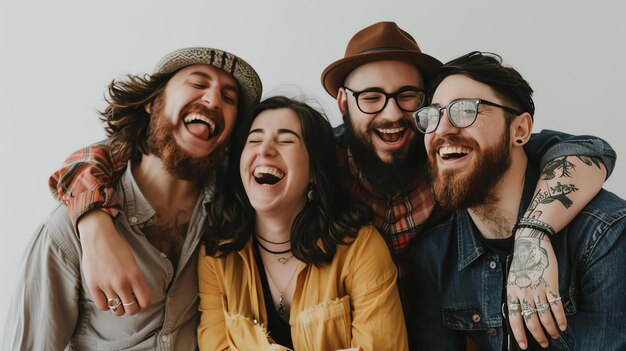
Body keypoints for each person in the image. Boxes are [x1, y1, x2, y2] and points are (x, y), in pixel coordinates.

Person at [46, 22, 615, 344]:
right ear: (344, 104)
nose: (391, 115)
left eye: (408, 98)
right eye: (371, 98)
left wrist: (535, 231)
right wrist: (91, 219)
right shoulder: (316, 160)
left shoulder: (452, 151)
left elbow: (583, 149)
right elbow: (119, 152)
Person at [3, 47, 262, 350]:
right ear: (153, 102)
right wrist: (94, 224)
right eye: (197, 83)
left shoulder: (234, 213)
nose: (213, 99)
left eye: (229, 98)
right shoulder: (66, 231)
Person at [407, 51, 626, 350]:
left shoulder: (602, 236)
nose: (442, 129)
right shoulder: (433, 257)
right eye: (432, 116)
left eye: (465, 110)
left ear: (520, 130)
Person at [197, 95, 406, 350]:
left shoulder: (360, 247)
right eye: (254, 140)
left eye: (285, 140)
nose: (264, 150)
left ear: (313, 174)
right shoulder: (217, 252)